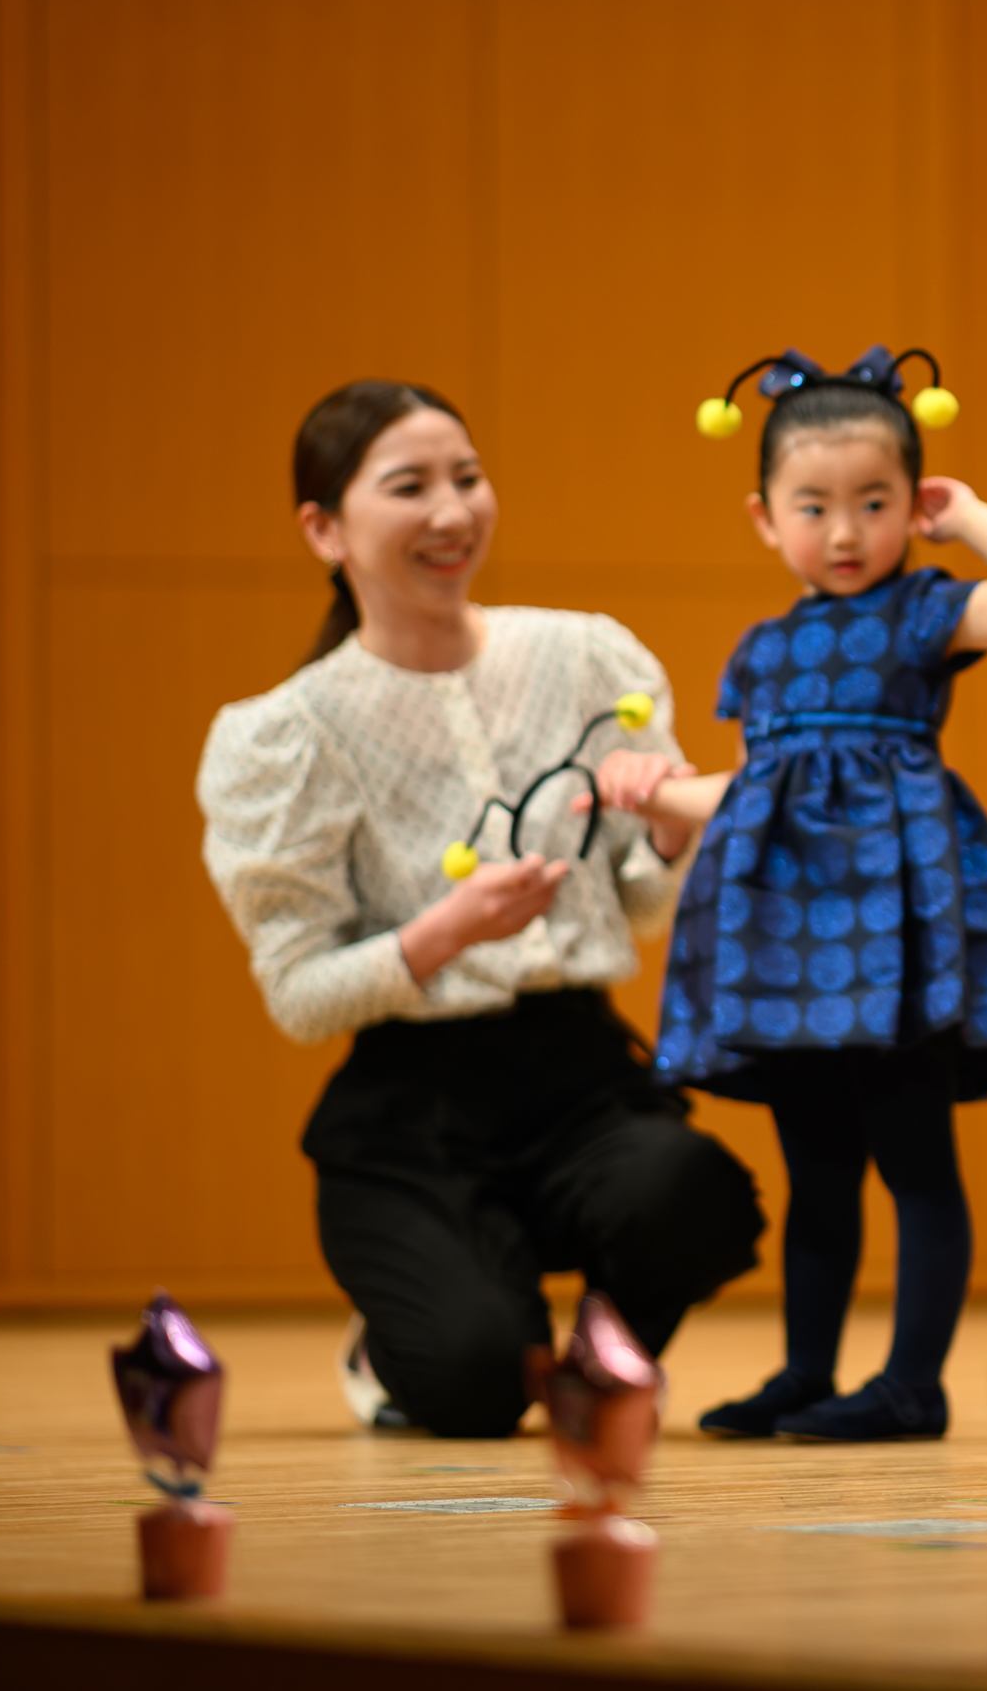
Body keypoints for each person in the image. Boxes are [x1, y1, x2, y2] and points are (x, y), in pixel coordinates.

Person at [198, 380, 763, 1439]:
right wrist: (444, 930)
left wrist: (674, 834)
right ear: (324, 527)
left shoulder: (585, 657)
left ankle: (597, 1357)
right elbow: (298, 993)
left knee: (692, 1190)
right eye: (409, 487)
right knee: (466, 1387)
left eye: (467, 478)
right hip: (414, 1103)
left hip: (579, 1072)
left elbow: (638, 904)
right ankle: (417, 1335)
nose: (452, 513)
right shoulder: (284, 732)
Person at [622, 346, 987, 1444]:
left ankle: (913, 1380)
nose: (844, 531)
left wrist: (982, 520)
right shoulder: (761, 650)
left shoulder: (921, 612)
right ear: (764, 517)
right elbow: (762, 785)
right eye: (814, 506)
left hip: (891, 927)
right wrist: (664, 795)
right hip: (786, 934)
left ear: (912, 504)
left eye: (874, 502)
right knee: (814, 1171)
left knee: (913, 1157)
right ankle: (807, 1369)